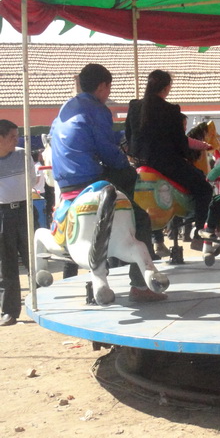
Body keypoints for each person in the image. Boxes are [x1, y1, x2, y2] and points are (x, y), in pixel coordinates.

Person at [48, 64, 164, 302]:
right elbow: (108, 152)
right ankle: (140, 285)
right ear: (102, 86)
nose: (108, 93)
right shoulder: (97, 109)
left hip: (65, 180)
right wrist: (127, 162)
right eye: (109, 88)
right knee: (140, 213)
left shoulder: (67, 107)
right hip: (88, 177)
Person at [126, 70, 213, 242]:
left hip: (139, 162)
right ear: (166, 88)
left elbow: (129, 136)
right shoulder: (171, 110)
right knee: (204, 189)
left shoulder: (134, 106)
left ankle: (154, 239)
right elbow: (180, 142)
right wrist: (186, 157)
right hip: (166, 163)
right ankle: (199, 234)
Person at [0, 120, 35, 326]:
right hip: (2, 214)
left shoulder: (23, 155)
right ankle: (10, 311)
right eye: (12, 137)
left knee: (33, 259)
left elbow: (32, 180)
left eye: (17, 136)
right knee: (7, 264)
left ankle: (43, 303)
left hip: (25, 210)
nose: (17, 140)